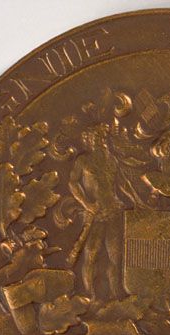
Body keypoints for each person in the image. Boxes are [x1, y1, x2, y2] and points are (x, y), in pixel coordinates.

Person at [68, 123, 124, 300]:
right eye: (95, 137)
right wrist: (87, 204)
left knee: (116, 255)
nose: (99, 140)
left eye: (102, 137)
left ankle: (116, 293)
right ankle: (89, 294)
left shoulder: (112, 160)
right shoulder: (83, 161)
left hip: (113, 211)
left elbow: (119, 186)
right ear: (89, 140)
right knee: (92, 254)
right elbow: (73, 183)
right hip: (94, 214)